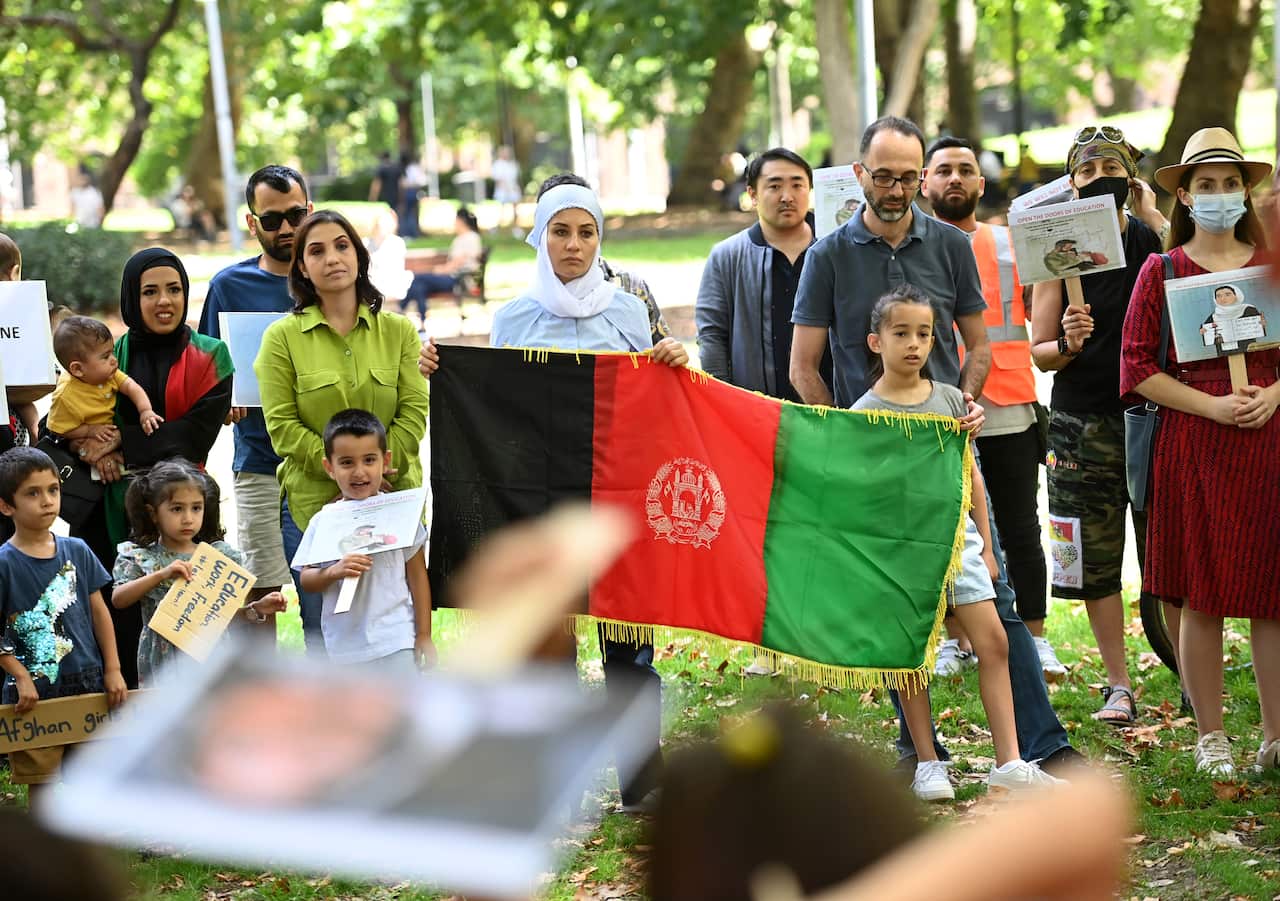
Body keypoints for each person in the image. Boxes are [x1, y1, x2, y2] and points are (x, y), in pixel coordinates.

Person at [791, 115, 1080, 777]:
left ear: (920, 176)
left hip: (948, 455)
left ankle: (1040, 744)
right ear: (860, 174)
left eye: (905, 176)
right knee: (899, 606)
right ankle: (920, 754)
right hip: (872, 461)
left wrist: (969, 399)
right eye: (882, 175)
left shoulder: (949, 245)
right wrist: (837, 438)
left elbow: (976, 344)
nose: (894, 189)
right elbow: (803, 364)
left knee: (996, 606)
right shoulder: (829, 255)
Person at [423, 180, 687, 811]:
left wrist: (677, 360)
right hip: (539, 507)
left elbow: (659, 400)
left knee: (628, 650)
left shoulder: (628, 309)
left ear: (601, 238)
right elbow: (499, 409)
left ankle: (642, 779)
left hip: (615, 501)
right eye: (561, 232)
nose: (573, 246)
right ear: (540, 237)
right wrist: (446, 370)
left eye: (586, 232)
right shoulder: (514, 317)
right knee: (547, 649)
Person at [852, 286, 1061, 799]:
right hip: (898, 551)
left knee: (993, 642)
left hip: (958, 541)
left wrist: (987, 547)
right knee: (910, 654)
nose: (914, 345)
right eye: (901, 333)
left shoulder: (950, 400)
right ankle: (927, 762)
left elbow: (971, 478)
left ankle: (1009, 761)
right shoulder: (862, 412)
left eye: (924, 334)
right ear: (875, 342)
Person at [1121, 126, 1279, 776]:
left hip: (1267, 442)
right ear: (1184, 194)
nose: (1219, 195)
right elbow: (1134, 368)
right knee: (1202, 591)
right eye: (1206, 185)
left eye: (1230, 183)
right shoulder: (1162, 270)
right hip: (1195, 443)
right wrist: (1211, 405)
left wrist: (1276, 395)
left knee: (1273, 591)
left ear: (1247, 190)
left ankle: (1275, 735)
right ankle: (1211, 734)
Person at [1029, 125, 1167, 727]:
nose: (1099, 178)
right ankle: (1119, 683)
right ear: (1071, 183)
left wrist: (1154, 221)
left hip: (1154, 414)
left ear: (1130, 178)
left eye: (1112, 167)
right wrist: (1067, 340)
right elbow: (1039, 351)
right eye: (1086, 171)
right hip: (1081, 423)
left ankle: (1185, 668)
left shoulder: (1153, 242)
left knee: (1166, 547)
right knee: (1093, 555)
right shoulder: (1059, 252)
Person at [255, 209, 429, 659]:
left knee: (400, 621)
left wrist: (380, 468)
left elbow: (414, 409)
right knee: (324, 629)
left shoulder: (399, 331)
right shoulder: (281, 339)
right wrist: (342, 475)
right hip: (318, 507)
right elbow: (282, 426)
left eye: (342, 245)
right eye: (316, 250)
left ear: (359, 256)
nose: (331, 258)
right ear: (301, 268)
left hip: (395, 500)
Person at [923, 136, 1063, 680]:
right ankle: (955, 638)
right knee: (944, 530)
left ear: (981, 184)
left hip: (1008, 405)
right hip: (937, 407)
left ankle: (1034, 636)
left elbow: (1042, 319)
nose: (954, 179)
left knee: (1018, 527)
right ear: (925, 184)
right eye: (943, 171)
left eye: (965, 170)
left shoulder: (1012, 245)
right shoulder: (913, 246)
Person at [68, 248, 233, 689]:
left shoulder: (212, 356)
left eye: (174, 289)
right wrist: (94, 448)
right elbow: (70, 420)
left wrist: (121, 440)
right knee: (118, 617)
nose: (165, 301)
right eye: (150, 291)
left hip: (186, 513)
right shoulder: (109, 355)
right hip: (112, 510)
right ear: (130, 299)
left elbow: (194, 437)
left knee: (192, 626)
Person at [197, 165, 313, 648]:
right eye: (272, 220)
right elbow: (206, 367)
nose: (286, 229)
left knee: (323, 592)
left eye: (296, 215)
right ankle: (260, 702)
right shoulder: (229, 285)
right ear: (252, 224)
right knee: (259, 593)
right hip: (259, 460)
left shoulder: (328, 278)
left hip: (323, 464)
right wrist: (220, 401)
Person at [0, 447, 127, 806]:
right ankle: (44, 857)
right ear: (6, 506)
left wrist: (113, 669)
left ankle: (83, 852)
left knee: (89, 777)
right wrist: (20, 675)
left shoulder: (78, 550)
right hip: (32, 698)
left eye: (53, 490)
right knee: (42, 780)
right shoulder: (5, 564)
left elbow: (100, 613)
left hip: (86, 682)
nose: (47, 501)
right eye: (32, 493)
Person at [111, 460, 286, 685]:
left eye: (196, 508)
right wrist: (161, 575)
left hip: (212, 656)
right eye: (177, 509)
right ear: (153, 513)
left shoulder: (217, 557)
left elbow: (219, 616)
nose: (188, 518)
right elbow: (119, 599)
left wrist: (256, 609)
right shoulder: (142, 557)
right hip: (166, 660)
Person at [293, 409, 434, 669]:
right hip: (345, 648)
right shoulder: (324, 521)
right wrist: (333, 572)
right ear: (329, 467)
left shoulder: (401, 515)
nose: (359, 472)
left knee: (401, 708)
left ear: (385, 460)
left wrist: (423, 634)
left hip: (396, 638)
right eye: (346, 462)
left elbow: (417, 576)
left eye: (369, 460)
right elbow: (307, 579)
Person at [695, 147, 830, 401]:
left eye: (797, 185)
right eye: (774, 186)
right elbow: (712, 336)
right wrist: (725, 400)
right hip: (758, 412)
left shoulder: (833, 248)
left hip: (835, 408)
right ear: (753, 195)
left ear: (810, 191)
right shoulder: (728, 256)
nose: (787, 196)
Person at [47, 316, 162, 442]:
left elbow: (131, 387)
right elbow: (57, 429)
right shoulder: (65, 396)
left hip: (109, 432)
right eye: (106, 356)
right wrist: (89, 430)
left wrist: (145, 410)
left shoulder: (108, 374)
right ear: (78, 369)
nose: (114, 360)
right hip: (84, 438)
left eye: (112, 352)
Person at [401, 207, 483, 326]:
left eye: (456, 220)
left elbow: (459, 262)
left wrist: (442, 270)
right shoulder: (462, 238)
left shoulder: (471, 237)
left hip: (458, 279)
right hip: (451, 277)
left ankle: (401, 308)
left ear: (461, 221)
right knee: (419, 287)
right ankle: (422, 322)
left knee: (418, 278)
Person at [365, 207, 414, 303]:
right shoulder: (366, 243)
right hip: (373, 282)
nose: (384, 226)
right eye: (382, 223)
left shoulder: (397, 243)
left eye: (388, 223)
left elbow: (395, 270)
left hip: (391, 284)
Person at [1201, 284, 1266, 355]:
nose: (1223, 298)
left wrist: (1262, 325)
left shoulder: (1248, 309)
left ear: (1236, 295)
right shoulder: (1214, 315)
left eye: (1227, 294)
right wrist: (1203, 331)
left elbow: (1258, 329)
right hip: (1225, 353)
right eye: (1218, 296)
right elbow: (1206, 332)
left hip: (1247, 350)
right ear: (1215, 299)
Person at [492, 145, 522, 231]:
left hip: (513, 189)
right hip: (502, 190)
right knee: (501, 209)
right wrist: (506, 188)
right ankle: (497, 227)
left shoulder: (513, 164)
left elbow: (515, 178)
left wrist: (515, 188)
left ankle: (516, 227)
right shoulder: (497, 164)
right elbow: (498, 179)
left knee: (515, 209)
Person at [399, 152, 425, 239]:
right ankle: (412, 233)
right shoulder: (414, 168)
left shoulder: (408, 169)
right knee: (411, 213)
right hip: (413, 192)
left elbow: (407, 183)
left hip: (410, 192)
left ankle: (409, 233)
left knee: (408, 213)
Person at [369, 151, 403, 215]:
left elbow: (377, 184)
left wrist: (373, 197)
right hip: (395, 195)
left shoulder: (381, 168)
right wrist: (401, 197)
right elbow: (400, 184)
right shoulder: (396, 168)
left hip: (384, 196)